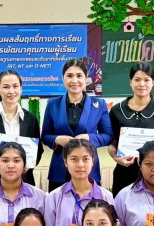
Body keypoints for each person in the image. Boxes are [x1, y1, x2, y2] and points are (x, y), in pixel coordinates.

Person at [42, 59, 113, 191]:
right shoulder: (52, 104)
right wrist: (57, 139)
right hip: (59, 170)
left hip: (89, 169)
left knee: (91, 204)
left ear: (86, 78)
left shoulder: (99, 105)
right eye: (69, 76)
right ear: (63, 78)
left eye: (79, 76)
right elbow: (45, 136)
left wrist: (89, 138)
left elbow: (108, 136)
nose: (74, 80)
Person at [108, 62, 154, 196]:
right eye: (137, 80)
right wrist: (117, 158)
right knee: (122, 208)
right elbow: (112, 145)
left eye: (146, 80)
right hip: (124, 173)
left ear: (153, 83)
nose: (142, 84)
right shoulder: (117, 110)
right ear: (130, 82)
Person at [44, 138, 114, 226]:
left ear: (93, 162)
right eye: (74, 159)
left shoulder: (106, 196)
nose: (80, 164)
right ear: (65, 162)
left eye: (85, 159)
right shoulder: (54, 197)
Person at [0, 70, 43, 189]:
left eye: (15, 86)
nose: (11, 91)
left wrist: (29, 164)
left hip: (24, 182)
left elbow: (38, 150)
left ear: (21, 89)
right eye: (6, 87)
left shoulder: (31, 119)